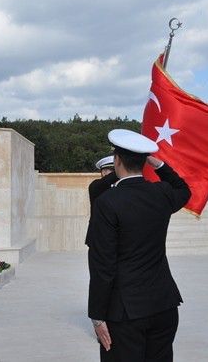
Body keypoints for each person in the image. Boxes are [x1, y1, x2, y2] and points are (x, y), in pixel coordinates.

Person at [87, 129, 191, 362]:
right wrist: (158, 165)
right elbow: (184, 190)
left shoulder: (107, 202)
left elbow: (103, 265)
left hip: (125, 312)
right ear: (144, 162)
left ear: (116, 161)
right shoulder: (161, 193)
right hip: (163, 304)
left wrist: (97, 316)